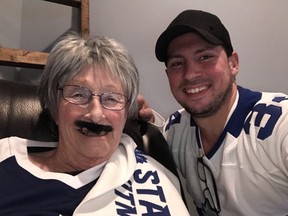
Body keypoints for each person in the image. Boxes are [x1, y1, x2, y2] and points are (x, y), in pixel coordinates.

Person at [0, 32, 189, 215]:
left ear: (125, 114)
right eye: (79, 94)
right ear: (54, 106)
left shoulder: (157, 175)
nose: (96, 114)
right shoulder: (6, 157)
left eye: (111, 98)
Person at [154, 9, 288, 215]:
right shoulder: (175, 131)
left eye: (205, 56)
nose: (190, 74)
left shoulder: (280, 123)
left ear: (233, 63)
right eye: (177, 63)